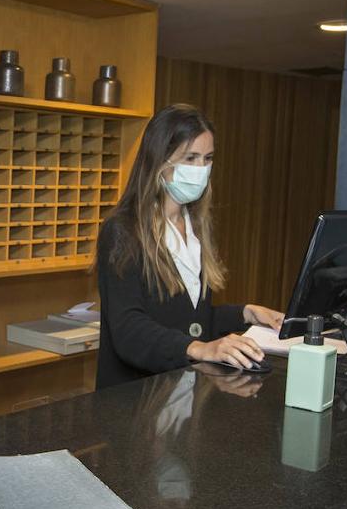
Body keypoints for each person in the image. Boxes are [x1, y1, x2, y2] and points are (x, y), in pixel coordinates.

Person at [96, 104, 284, 389]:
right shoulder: (123, 229)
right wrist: (199, 349)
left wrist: (245, 312)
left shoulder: (195, 225)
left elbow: (188, 318)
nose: (201, 170)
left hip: (182, 399)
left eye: (208, 158)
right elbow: (128, 330)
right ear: (158, 161)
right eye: (190, 158)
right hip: (134, 403)